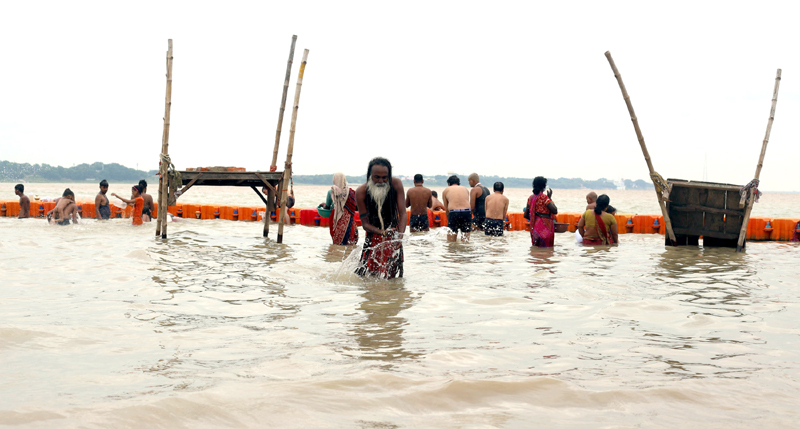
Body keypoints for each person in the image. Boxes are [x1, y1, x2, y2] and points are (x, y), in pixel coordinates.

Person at [355, 157, 406, 279]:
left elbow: (403, 213)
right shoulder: (361, 191)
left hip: (393, 234)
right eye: (376, 177)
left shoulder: (396, 184)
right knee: (371, 274)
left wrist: (400, 236)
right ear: (369, 176)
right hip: (373, 236)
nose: (381, 181)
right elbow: (365, 224)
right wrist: (382, 232)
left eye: (385, 177)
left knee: (393, 274)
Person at [525, 176, 558, 247]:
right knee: (546, 251)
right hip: (545, 229)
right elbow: (555, 210)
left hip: (534, 230)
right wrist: (550, 198)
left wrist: (535, 217)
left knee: (536, 251)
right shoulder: (544, 197)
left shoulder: (530, 198)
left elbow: (525, 215)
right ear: (543, 186)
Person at [328, 172, 359, 245]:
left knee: (337, 245)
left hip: (336, 221)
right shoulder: (351, 192)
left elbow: (327, 205)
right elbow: (356, 207)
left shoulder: (331, 192)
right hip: (350, 222)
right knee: (350, 245)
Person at [441, 175, 471, 242]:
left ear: (449, 184)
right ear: (458, 183)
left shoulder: (446, 190)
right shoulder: (465, 189)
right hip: (466, 212)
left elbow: (447, 209)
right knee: (465, 240)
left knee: (451, 241)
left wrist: (449, 221)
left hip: (454, 212)